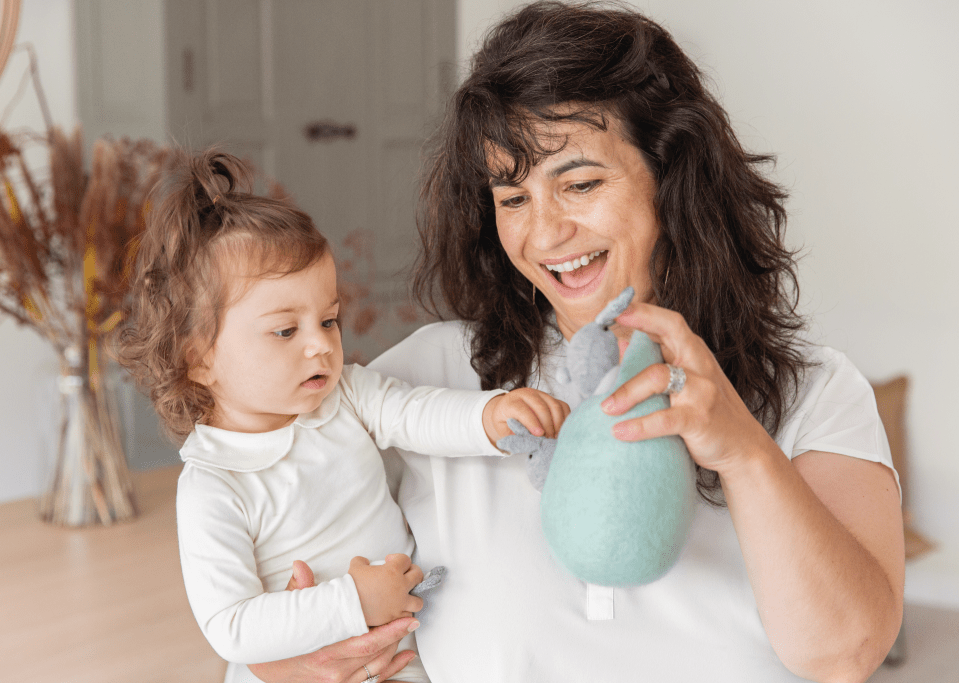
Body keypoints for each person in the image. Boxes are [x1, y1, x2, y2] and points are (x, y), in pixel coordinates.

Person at [243, 2, 905, 682]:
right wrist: (288, 662)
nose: (544, 233)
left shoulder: (816, 392)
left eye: (580, 183)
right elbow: (261, 576)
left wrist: (744, 451)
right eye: (512, 198)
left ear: (673, 180)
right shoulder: (425, 379)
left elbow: (846, 653)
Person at [113, 149, 570, 683]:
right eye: (286, 331)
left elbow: (414, 412)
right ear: (199, 358)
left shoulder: (345, 396)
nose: (320, 347)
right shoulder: (214, 487)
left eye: (328, 320)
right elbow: (231, 625)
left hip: (401, 654)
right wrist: (352, 601)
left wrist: (491, 416)